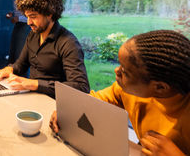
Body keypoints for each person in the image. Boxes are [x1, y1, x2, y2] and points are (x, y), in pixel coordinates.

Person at [49, 30, 190, 156]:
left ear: (160, 88)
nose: (116, 71)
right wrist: (69, 110)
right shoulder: (125, 91)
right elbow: (93, 101)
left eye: (125, 72)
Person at [0, 0, 90, 98]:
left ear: (49, 14)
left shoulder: (68, 43)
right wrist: (9, 69)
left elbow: (81, 87)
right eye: (26, 16)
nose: (28, 22)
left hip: (54, 103)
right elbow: (21, 64)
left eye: (33, 17)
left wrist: (35, 84)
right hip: (31, 96)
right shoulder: (33, 35)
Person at [6, 0, 35, 65]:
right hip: (19, 25)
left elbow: (33, 16)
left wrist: (19, 19)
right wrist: (13, 13)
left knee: (20, 54)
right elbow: (21, 11)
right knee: (13, 52)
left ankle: (21, 78)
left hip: (26, 27)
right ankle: (12, 75)